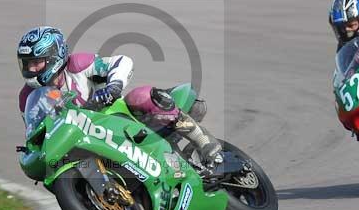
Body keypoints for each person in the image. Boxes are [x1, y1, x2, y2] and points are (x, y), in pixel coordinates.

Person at [16, 26, 222, 165]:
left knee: (139, 96)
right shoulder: (27, 97)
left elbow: (121, 61)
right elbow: (35, 131)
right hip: (84, 140)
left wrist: (113, 87)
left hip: (115, 117)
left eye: (37, 62)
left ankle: (202, 140)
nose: (31, 69)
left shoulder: (78, 65)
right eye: (27, 64)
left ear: (54, 56)